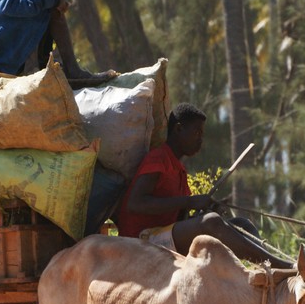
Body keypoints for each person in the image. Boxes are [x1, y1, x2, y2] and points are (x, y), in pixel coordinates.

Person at [114, 103, 292, 268]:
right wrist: (191, 203)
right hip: (141, 240)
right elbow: (135, 203)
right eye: (197, 132)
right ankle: (283, 267)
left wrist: (200, 212)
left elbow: (178, 221)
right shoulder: (158, 158)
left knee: (241, 224)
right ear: (178, 129)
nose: (201, 139)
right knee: (211, 222)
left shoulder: (179, 170)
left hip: (163, 235)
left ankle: (268, 267)